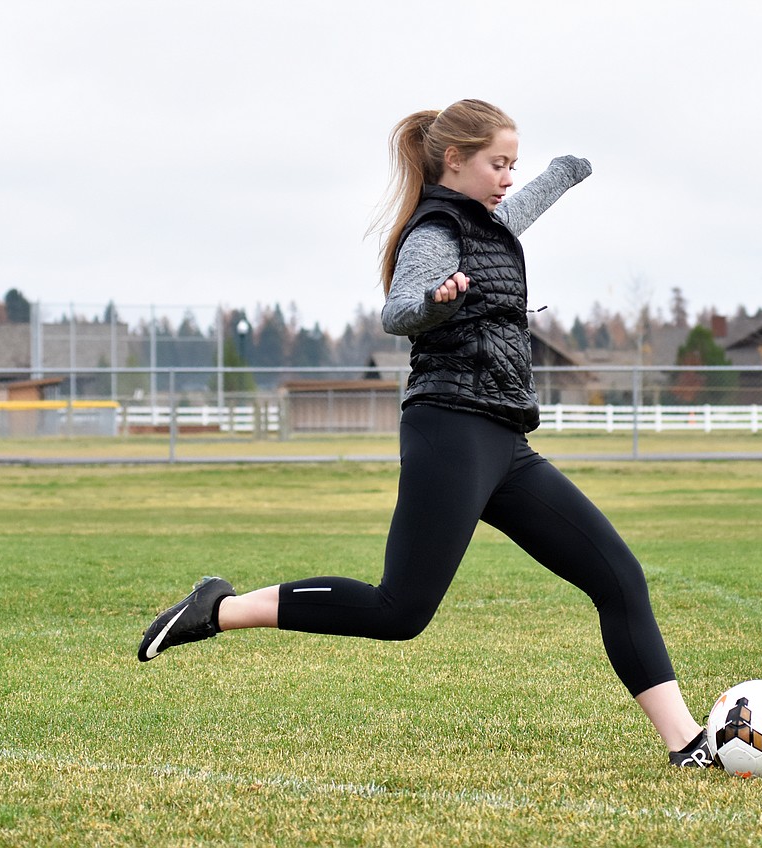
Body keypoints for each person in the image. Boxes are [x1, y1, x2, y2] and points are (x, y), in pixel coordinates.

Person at [138, 98, 715, 769]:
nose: (507, 177)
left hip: (505, 440)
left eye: (513, 164)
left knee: (618, 577)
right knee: (399, 610)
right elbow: (395, 312)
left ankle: (688, 746)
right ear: (454, 161)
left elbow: (518, 211)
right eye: (497, 163)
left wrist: (562, 172)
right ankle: (220, 608)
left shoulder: (488, 223)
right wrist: (434, 303)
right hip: (450, 430)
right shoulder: (433, 233)